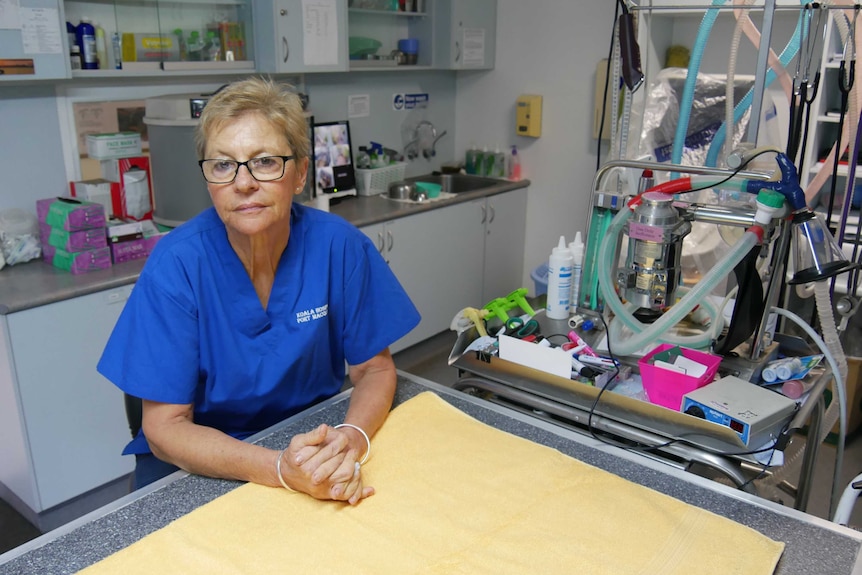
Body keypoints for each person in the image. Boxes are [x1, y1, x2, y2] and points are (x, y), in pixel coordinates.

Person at [97, 77, 420, 505]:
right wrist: (279, 470)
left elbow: (374, 371)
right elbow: (165, 429)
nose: (243, 183)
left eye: (265, 161)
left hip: (310, 437)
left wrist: (351, 438)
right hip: (201, 461)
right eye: (223, 165)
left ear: (301, 172)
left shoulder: (338, 246)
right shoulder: (177, 265)